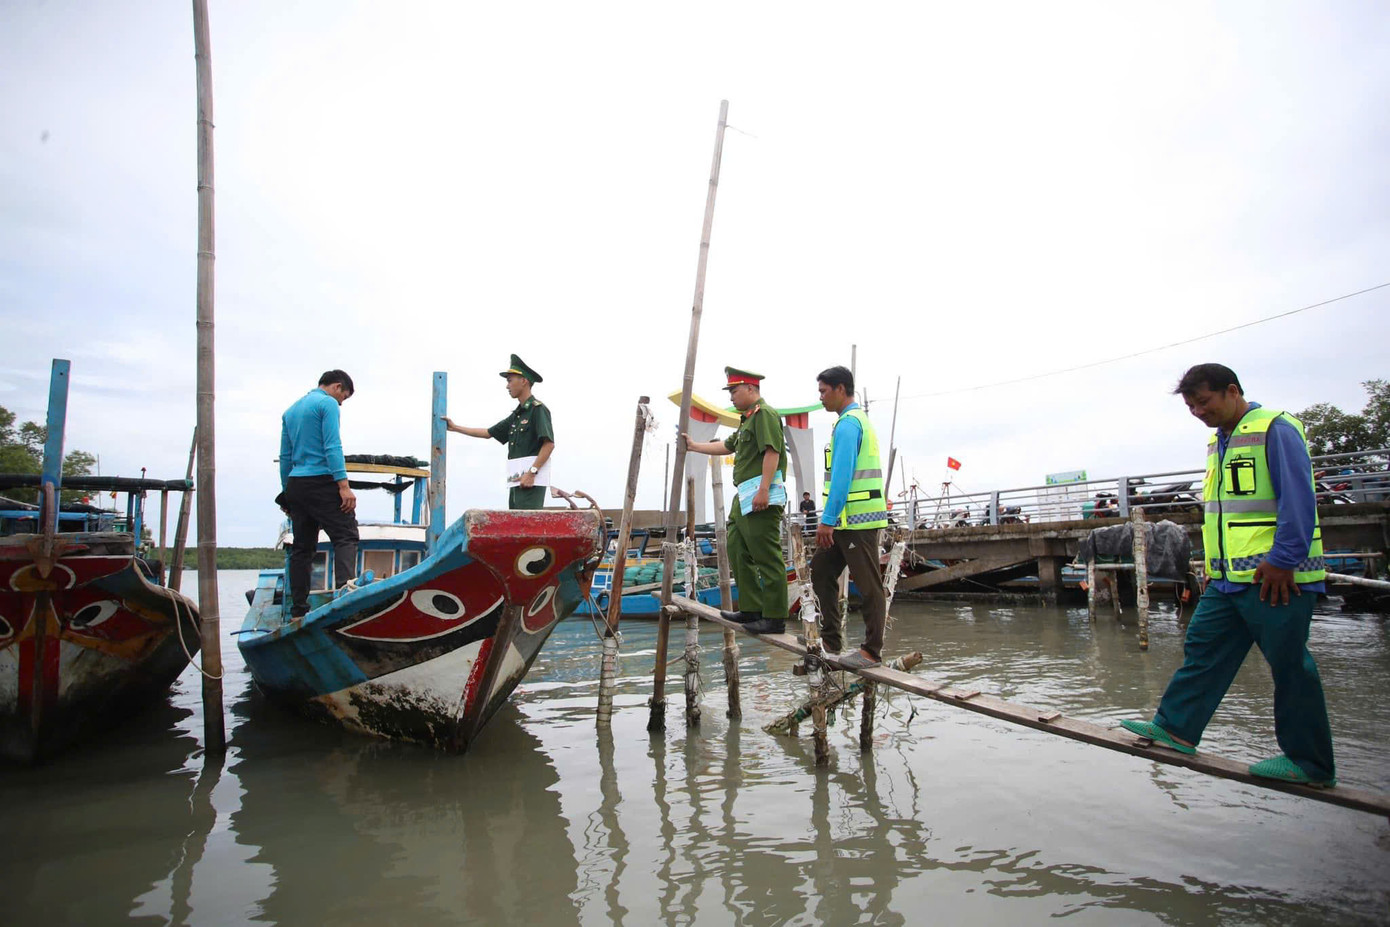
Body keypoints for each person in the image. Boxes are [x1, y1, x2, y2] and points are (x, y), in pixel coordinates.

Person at [1122, 363, 1335, 787]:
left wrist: (1284, 559)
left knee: (1289, 665)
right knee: (1202, 647)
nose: (1198, 412)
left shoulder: (1275, 429)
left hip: (1275, 577)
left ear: (1232, 391)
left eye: (1204, 402)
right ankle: (1177, 728)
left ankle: (1311, 764)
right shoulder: (1218, 440)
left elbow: (1299, 498)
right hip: (1227, 579)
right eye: (1191, 407)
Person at [683, 367, 789, 635]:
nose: (731, 396)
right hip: (744, 495)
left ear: (751, 389)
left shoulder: (765, 414)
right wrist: (695, 446)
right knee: (737, 547)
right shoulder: (748, 419)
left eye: (734, 390)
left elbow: (772, 452)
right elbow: (727, 446)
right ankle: (751, 608)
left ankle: (775, 617)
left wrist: (764, 490)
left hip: (760, 495)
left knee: (766, 555)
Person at [808, 365, 889, 670]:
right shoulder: (851, 422)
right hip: (846, 521)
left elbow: (842, 478)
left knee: (868, 585)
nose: (820, 397)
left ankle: (871, 651)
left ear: (840, 389)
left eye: (823, 391)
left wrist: (827, 520)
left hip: (857, 521)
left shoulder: (849, 425)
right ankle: (831, 639)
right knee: (820, 570)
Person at [279, 369, 359, 617]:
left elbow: (285, 457)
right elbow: (332, 446)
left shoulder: (290, 411)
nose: (341, 403)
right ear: (337, 387)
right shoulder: (327, 404)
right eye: (343, 397)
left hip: (296, 484)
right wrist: (343, 486)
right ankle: (345, 600)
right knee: (345, 535)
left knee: (302, 548)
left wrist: (286, 493)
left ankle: (298, 609)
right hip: (321, 481)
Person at [442, 354, 554, 510]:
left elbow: (549, 444)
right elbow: (488, 433)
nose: (507, 386)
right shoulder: (517, 415)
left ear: (523, 381)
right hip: (516, 481)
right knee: (514, 520)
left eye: (510, 380)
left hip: (531, 483)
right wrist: (455, 428)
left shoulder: (537, 410)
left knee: (526, 522)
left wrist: (532, 473)